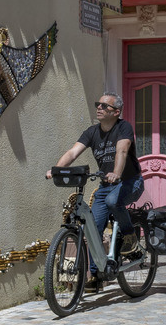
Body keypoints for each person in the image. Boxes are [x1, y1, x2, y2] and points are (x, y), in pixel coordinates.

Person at [53, 93, 145, 291]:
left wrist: (116, 173)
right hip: (105, 186)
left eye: (104, 105)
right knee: (92, 228)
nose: (99, 108)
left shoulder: (123, 127)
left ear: (116, 112)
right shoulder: (92, 132)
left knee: (113, 201)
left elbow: (122, 151)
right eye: (98, 104)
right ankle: (96, 275)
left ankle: (130, 236)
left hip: (130, 182)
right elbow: (73, 152)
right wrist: (56, 170)